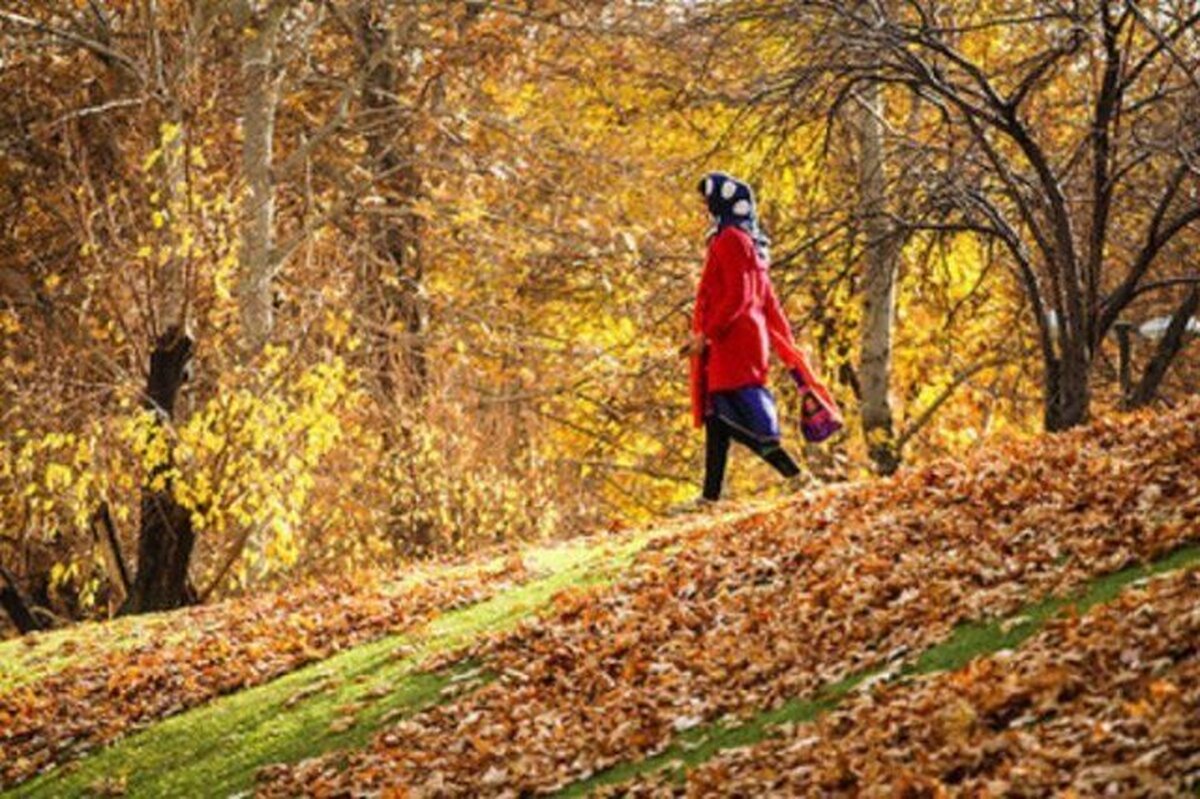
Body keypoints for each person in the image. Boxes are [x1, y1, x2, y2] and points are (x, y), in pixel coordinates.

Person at [678, 172, 811, 510]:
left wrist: (708, 335)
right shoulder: (749, 240)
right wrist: (786, 344)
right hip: (743, 340)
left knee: (730, 416)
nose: (704, 208)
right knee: (715, 419)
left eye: (706, 202)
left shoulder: (730, 240)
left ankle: (794, 474)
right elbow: (768, 300)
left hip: (732, 342)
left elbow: (739, 295)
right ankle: (709, 497)